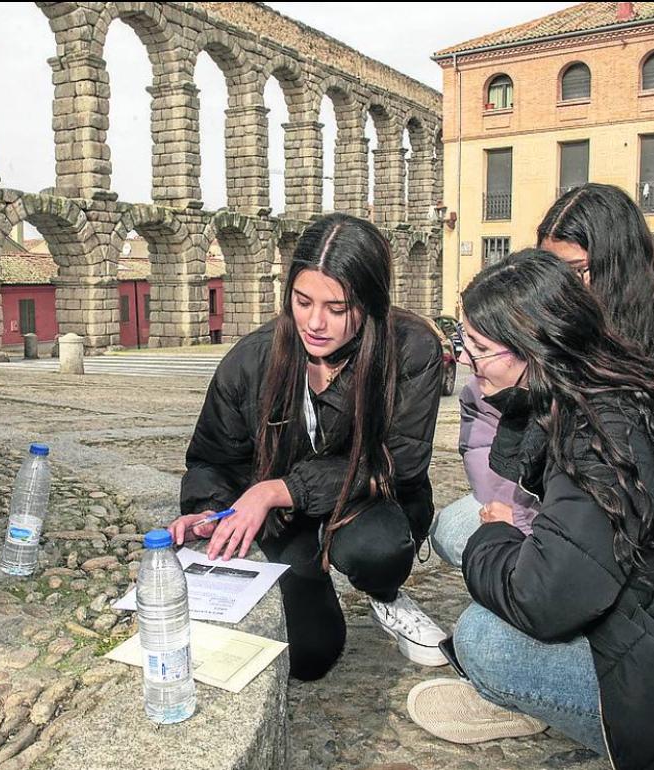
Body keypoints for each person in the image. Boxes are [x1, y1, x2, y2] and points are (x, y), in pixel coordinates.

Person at [406, 250, 654, 770]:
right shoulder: (609, 392)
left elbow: (542, 601)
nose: (465, 360)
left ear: (535, 349)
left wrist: (494, 537)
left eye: (478, 347)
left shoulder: (597, 438)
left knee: (483, 639)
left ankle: (541, 704)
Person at [169, 213, 448, 681]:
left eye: (337, 308)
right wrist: (208, 510)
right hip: (291, 522)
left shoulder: (413, 349)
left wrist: (277, 489)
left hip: (372, 503)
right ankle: (310, 574)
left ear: (371, 302)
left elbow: (399, 462)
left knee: (376, 550)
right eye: (302, 301)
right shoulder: (251, 359)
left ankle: (386, 595)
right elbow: (212, 458)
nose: (315, 323)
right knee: (309, 659)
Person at [432, 182, 654, 565]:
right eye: (549, 269)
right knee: (453, 530)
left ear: (617, 263)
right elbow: (486, 435)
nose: (558, 285)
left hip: (634, 523)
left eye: (574, 271)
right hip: (543, 498)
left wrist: (527, 522)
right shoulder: (540, 326)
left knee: (485, 620)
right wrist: (510, 512)